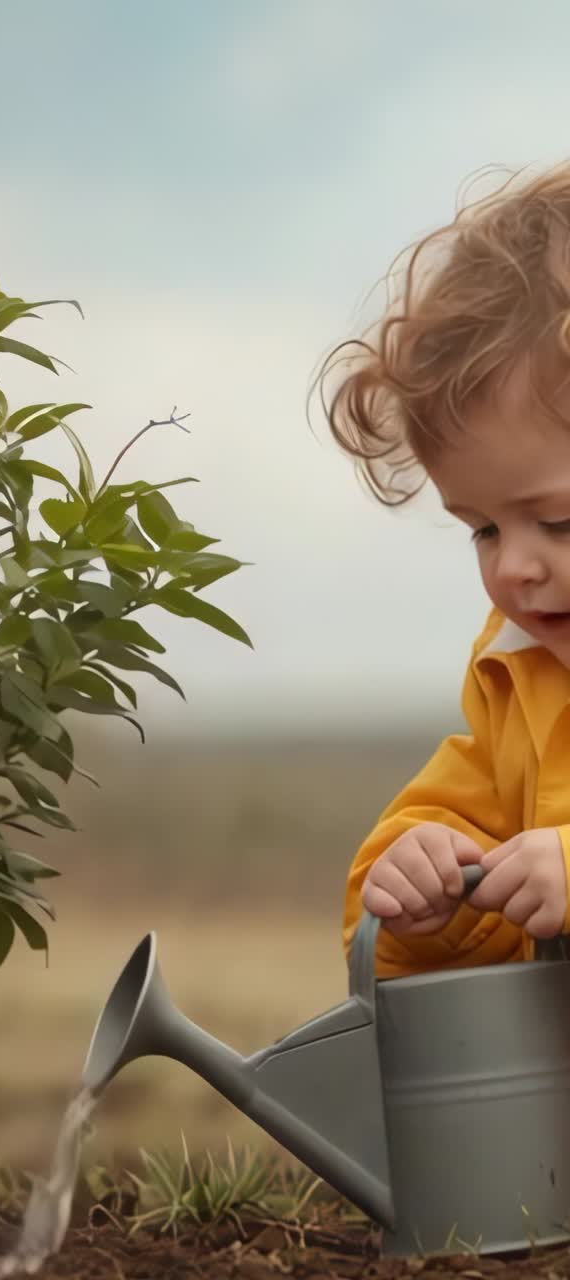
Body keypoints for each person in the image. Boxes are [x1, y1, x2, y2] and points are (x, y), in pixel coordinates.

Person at [316, 162, 570, 977]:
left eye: (561, 522)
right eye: (484, 529)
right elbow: (388, 941)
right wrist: (427, 897)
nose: (517, 568)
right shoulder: (517, 683)